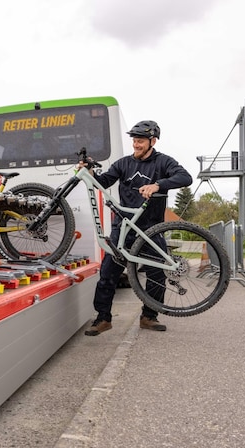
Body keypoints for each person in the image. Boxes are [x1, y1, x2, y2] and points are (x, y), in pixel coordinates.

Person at [81, 120, 192, 336]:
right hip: (123, 227)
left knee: (156, 274)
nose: (136, 144)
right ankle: (103, 318)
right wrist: (89, 173)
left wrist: (158, 185)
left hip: (151, 230)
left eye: (140, 141)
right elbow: (103, 182)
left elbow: (185, 177)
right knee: (107, 274)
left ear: (153, 141)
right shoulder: (123, 164)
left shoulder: (164, 162)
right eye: (134, 140)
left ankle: (149, 317)